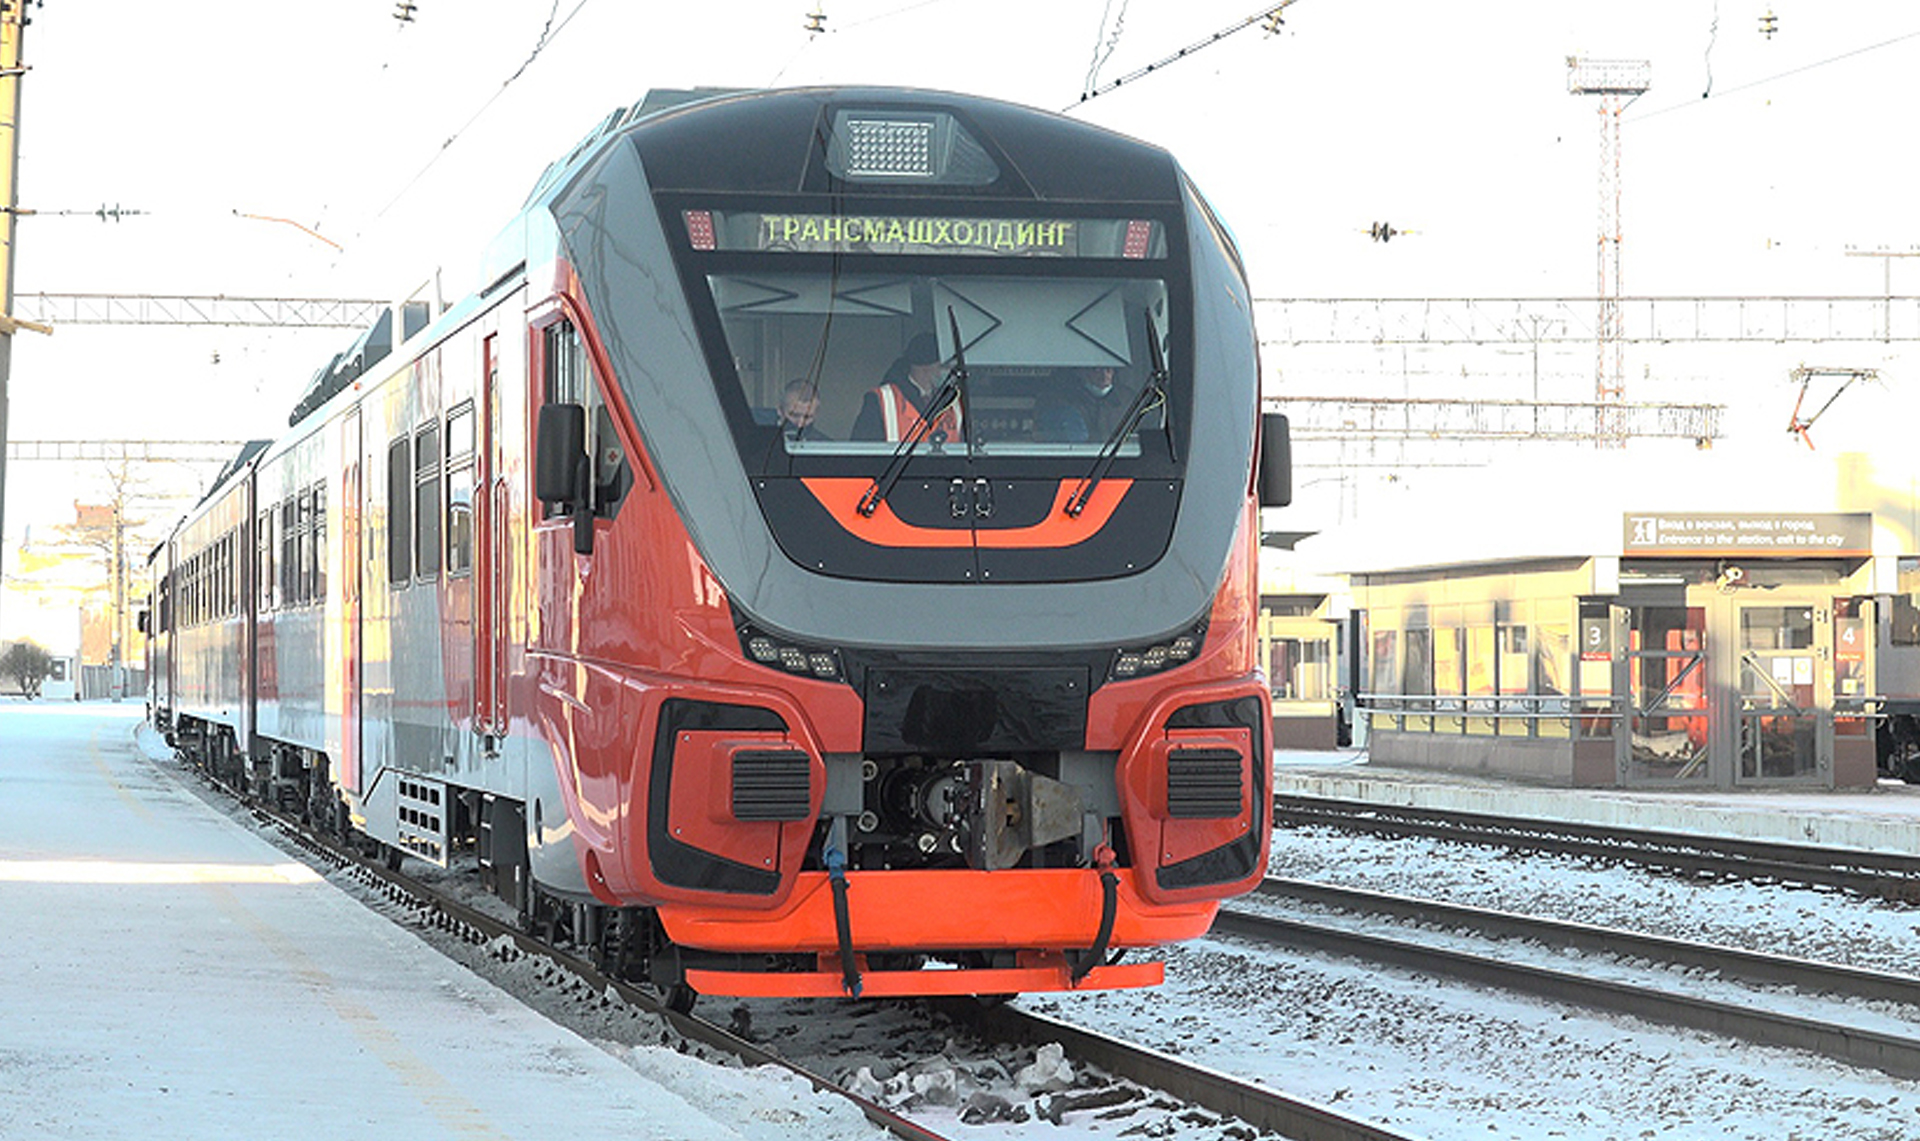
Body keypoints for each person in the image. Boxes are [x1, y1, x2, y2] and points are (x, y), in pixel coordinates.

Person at [850, 332, 964, 442]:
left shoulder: (953, 401)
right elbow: (863, 454)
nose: (950, 373)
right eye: (945, 367)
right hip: (897, 462)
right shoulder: (882, 400)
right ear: (925, 367)